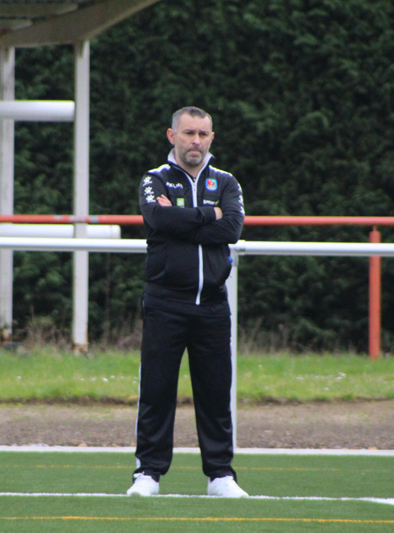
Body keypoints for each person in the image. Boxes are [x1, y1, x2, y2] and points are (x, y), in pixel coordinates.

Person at [127, 106, 247, 498]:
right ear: (172, 135)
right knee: (157, 390)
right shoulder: (154, 179)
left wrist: (185, 219)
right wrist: (208, 215)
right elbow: (158, 221)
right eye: (188, 133)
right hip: (164, 302)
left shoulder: (227, 182)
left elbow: (231, 228)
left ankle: (220, 475)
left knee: (215, 393)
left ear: (211, 138)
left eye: (203, 134)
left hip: (212, 304)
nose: (196, 141)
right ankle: (148, 473)